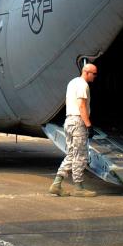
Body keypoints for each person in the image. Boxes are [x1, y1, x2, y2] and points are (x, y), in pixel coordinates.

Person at [49, 62, 99, 197]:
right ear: (87, 72)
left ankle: (57, 184)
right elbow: (82, 105)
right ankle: (79, 188)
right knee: (80, 156)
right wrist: (88, 125)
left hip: (69, 121)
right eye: (94, 74)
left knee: (71, 154)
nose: (95, 76)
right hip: (78, 122)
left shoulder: (72, 82)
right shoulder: (83, 85)